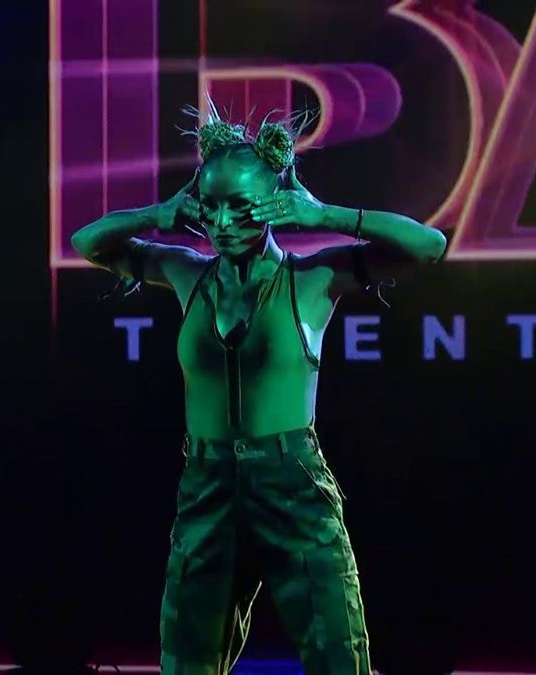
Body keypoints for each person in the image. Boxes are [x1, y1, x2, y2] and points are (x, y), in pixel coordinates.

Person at [70, 104, 446, 674]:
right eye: (211, 205)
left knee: (338, 657)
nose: (222, 222)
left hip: (290, 481)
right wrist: (160, 212)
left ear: (272, 203)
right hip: (207, 486)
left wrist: (323, 213)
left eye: (241, 206)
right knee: (187, 661)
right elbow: (87, 242)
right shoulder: (187, 273)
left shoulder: (311, 278)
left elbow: (427, 246)